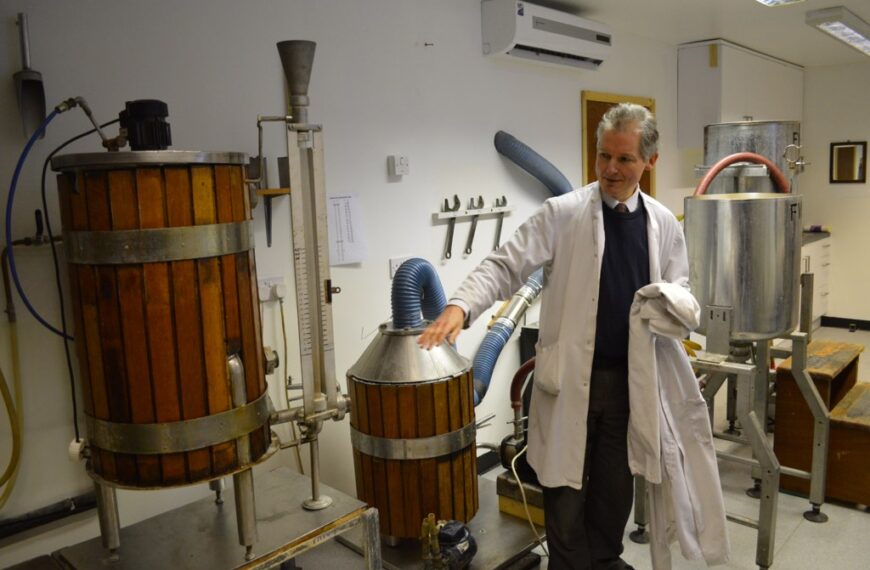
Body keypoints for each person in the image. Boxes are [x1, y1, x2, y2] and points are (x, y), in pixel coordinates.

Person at [418, 103, 689, 570]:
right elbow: (505, 264)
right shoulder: (563, 213)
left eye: (624, 159)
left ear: (650, 161)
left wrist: (676, 310)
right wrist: (461, 305)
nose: (610, 169)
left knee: (613, 492)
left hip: (629, 383)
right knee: (564, 498)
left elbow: (678, 288)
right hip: (570, 382)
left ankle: (604, 560)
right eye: (604, 156)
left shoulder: (661, 223)